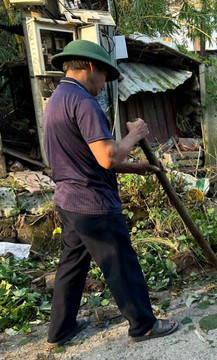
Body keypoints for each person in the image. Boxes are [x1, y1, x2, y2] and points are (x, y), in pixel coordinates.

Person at [43, 40, 178, 347]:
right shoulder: (83, 102)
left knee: (72, 266)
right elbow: (106, 156)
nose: (104, 83)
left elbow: (85, 158)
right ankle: (143, 325)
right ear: (91, 66)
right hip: (93, 204)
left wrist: (137, 168)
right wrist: (135, 134)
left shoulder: (56, 101)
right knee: (121, 264)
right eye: (105, 75)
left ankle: (60, 330)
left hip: (68, 201)